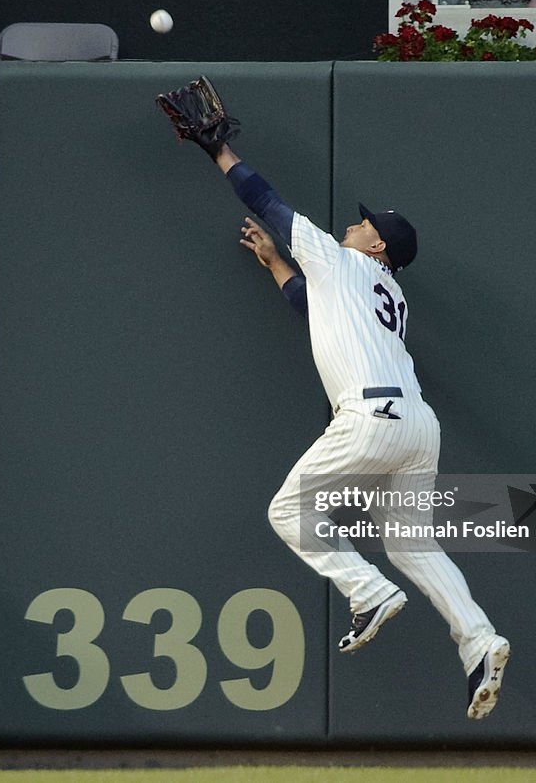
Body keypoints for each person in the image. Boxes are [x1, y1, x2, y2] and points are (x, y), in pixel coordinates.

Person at [211, 141, 511, 720]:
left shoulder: (338, 259)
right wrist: (278, 265)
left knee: (288, 513)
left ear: (376, 244)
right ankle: (479, 639)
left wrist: (220, 152)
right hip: (420, 427)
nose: (350, 225)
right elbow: (315, 309)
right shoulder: (388, 291)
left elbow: (266, 200)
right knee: (412, 543)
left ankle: (368, 591)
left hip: (370, 417)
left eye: (362, 224)